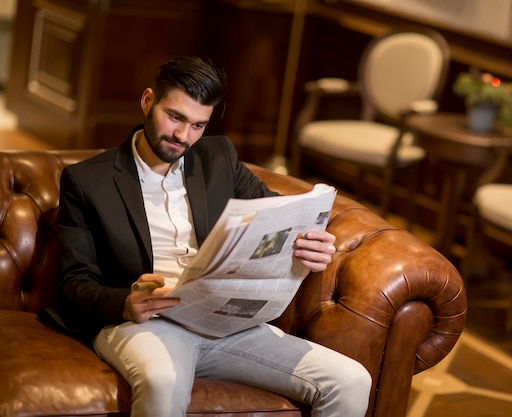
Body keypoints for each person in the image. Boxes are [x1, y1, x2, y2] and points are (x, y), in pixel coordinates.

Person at [53, 56, 371, 417]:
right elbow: (72, 283)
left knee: (351, 380)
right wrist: (126, 301)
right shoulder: (87, 180)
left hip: (226, 322)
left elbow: (278, 214)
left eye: (197, 125)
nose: (183, 136)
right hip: (148, 323)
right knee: (162, 380)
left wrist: (311, 240)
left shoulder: (217, 157)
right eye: (175, 117)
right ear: (147, 101)